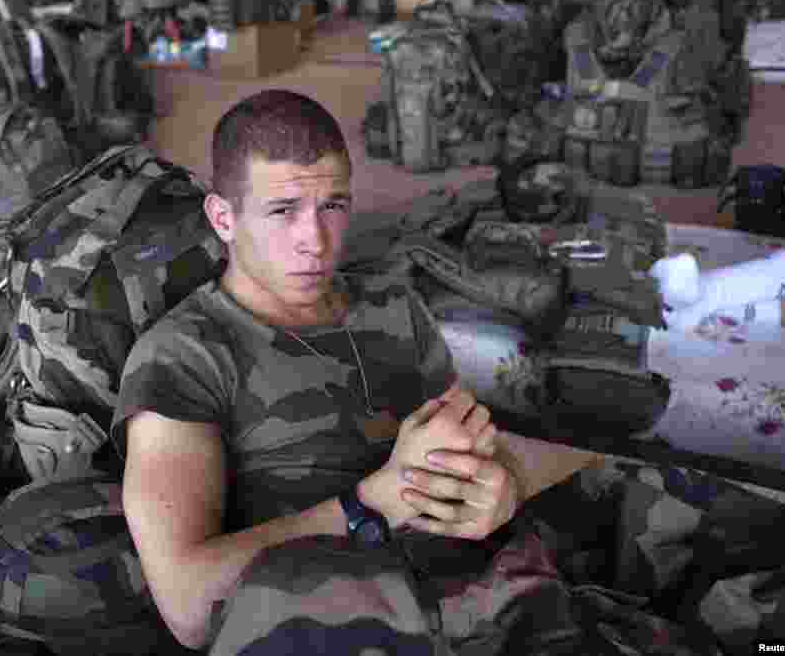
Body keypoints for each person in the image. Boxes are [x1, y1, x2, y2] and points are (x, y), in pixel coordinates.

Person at [112, 89, 604, 653]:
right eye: (283, 210)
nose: (315, 241)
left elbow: (473, 446)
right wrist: (371, 505)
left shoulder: (390, 305)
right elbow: (188, 605)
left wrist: (504, 484)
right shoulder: (183, 357)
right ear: (223, 218)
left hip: (485, 606)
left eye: (333, 206)